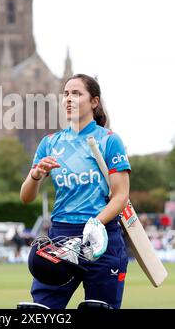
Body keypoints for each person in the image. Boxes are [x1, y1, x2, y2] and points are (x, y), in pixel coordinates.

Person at [20, 74, 131, 309]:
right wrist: (36, 174)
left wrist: (96, 224)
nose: (69, 99)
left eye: (77, 93)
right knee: (41, 311)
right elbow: (26, 197)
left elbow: (121, 196)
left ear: (94, 102)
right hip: (61, 236)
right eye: (66, 94)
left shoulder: (109, 141)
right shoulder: (50, 143)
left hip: (101, 238)